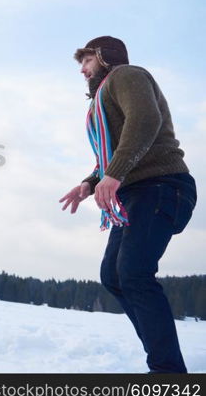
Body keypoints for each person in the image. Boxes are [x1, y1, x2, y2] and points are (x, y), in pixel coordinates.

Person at [59, 36, 197, 373]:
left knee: (133, 273)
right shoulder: (103, 97)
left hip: (161, 186)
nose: (82, 69)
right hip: (137, 192)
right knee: (114, 276)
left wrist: (114, 174)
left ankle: (167, 374)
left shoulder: (127, 75)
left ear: (105, 57)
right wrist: (91, 182)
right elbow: (113, 151)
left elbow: (144, 121)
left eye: (87, 60)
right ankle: (165, 363)